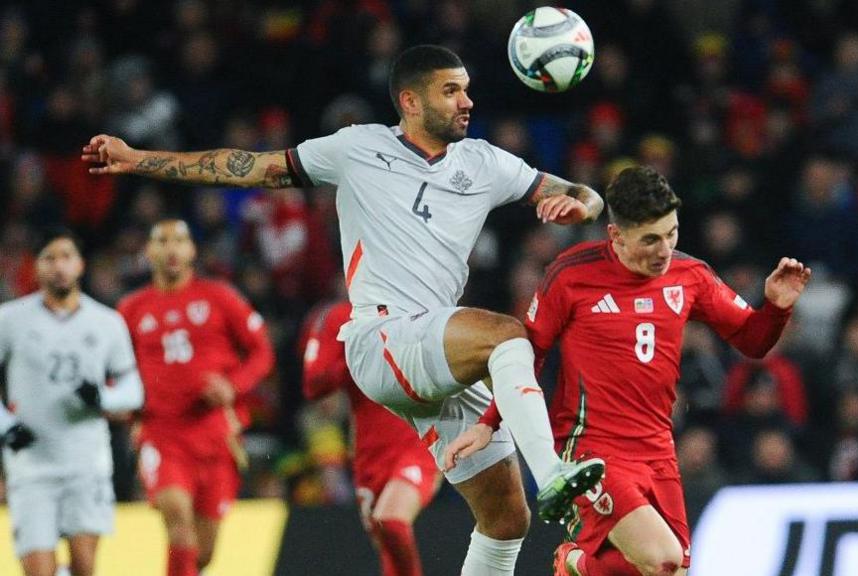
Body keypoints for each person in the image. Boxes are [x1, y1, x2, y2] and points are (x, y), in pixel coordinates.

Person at [84, 44, 605, 574]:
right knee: (506, 335)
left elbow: (578, 190)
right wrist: (136, 159)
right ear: (411, 101)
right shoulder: (357, 149)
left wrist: (580, 203)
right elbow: (247, 167)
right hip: (382, 337)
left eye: (467, 88)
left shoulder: (486, 163)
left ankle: (542, 483)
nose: (467, 101)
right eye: (451, 91)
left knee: (505, 520)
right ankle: (555, 473)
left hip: (435, 350)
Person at [447, 166, 811, 576]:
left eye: (672, 234)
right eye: (651, 239)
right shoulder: (572, 275)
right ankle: (577, 561)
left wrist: (777, 307)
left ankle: (578, 567)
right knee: (662, 559)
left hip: (658, 450)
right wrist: (490, 422)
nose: (664, 250)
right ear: (616, 235)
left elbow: (752, 341)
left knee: (669, 571)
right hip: (591, 449)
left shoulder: (689, 275)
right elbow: (526, 357)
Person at [117, 220, 274, 576]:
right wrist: (128, 412)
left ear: (192, 251)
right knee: (178, 523)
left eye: (180, 240)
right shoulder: (131, 309)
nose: (171, 248)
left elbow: (262, 352)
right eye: (162, 241)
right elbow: (112, 368)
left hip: (215, 435)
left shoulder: (219, 297)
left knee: (203, 553)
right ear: (149, 252)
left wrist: (233, 386)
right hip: (162, 434)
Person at [0, 228, 144, 576]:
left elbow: (134, 388)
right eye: (49, 258)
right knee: (38, 570)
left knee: (84, 566)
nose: (59, 266)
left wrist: (102, 397)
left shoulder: (107, 322)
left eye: (66, 257)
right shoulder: (9, 320)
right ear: (36, 267)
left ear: (80, 265)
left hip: (86, 464)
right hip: (30, 466)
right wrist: (6, 426)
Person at [302, 299, 441, 576]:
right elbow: (313, 385)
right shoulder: (336, 316)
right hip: (370, 452)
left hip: (421, 439)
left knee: (391, 520)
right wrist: (357, 353)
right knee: (387, 543)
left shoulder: (418, 302)